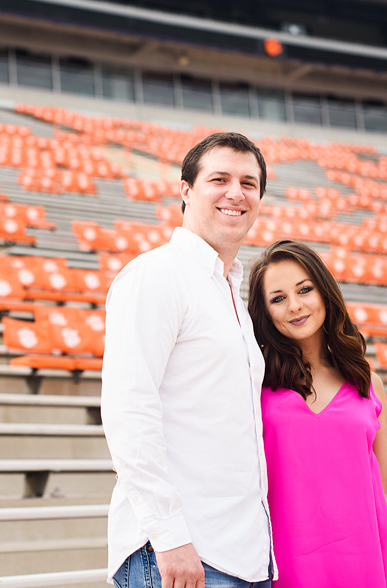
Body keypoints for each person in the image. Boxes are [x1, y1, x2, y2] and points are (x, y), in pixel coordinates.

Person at [102, 132, 275, 588]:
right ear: (185, 190)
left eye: (249, 183)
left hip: (244, 554)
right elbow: (128, 410)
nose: (235, 193)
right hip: (182, 554)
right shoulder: (157, 275)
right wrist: (169, 535)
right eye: (219, 179)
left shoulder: (232, 292)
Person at [246, 240, 387, 588]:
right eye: (278, 298)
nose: (295, 306)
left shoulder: (368, 384)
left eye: (305, 289)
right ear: (264, 312)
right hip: (285, 571)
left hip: (363, 567)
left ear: (324, 291)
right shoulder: (254, 386)